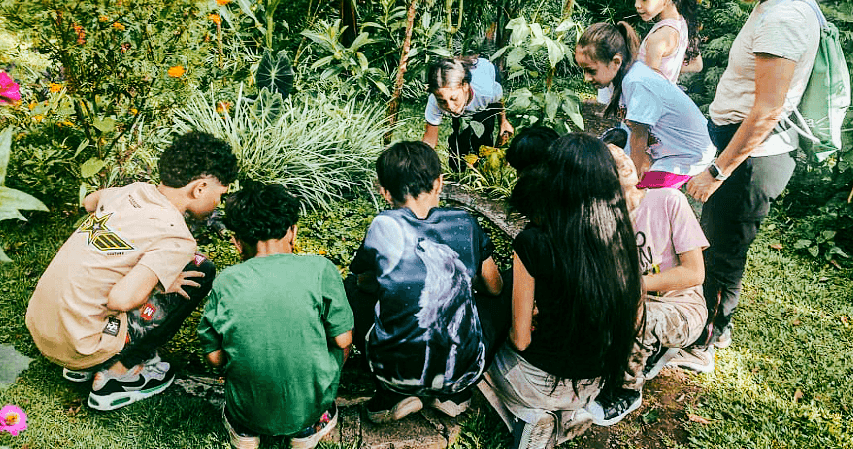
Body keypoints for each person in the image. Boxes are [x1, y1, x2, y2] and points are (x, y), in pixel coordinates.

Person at [674, 0, 822, 372]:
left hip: (752, 156)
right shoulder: (776, 3)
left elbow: (766, 110)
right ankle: (709, 328)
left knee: (722, 249)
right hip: (742, 147)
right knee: (718, 240)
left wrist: (718, 171)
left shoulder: (785, 18)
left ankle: (705, 342)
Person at [25, 131, 238, 411]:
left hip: (43, 327)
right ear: (199, 189)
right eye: (219, 195)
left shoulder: (133, 191)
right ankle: (119, 372)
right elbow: (121, 301)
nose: (218, 203)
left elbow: (90, 201)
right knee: (201, 269)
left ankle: (84, 362)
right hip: (82, 344)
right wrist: (162, 283)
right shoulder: (177, 238)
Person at [478, 133, 643, 449]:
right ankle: (569, 416)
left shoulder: (533, 242)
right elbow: (634, 319)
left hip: (540, 382)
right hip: (596, 380)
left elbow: (521, 338)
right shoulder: (622, 235)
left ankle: (530, 414)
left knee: (486, 361)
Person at [346, 141, 506, 423]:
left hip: (393, 373)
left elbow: (365, 284)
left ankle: (394, 395)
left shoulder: (383, 226)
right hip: (461, 371)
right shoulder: (465, 222)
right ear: (440, 182)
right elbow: (494, 287)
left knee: (349, 289)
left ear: (384, 192)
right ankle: (454, 396)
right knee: (505, 297)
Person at [198, 182, 353, 449]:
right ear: (292, 231)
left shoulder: (227, 281)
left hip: (247, 411)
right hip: (308, 409)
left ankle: (244, 431)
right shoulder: (320, 270)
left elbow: (214, 358)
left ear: (237, 242)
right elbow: (343, 340)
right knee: (339, 343)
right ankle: (309, 427)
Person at [586, 144, 708, 426]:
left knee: (634, 316)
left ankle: (626, 391)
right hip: (630, 301)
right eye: (610, 160)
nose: (622, 159)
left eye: (621, 153)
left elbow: (694, 273)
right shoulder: (602, 222)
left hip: (682, 306)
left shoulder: (668, 200)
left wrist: (635, 285)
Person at [575, 22, 716, 190]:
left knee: (637, 194)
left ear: (615, 62)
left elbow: (638, 138)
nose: (586, 78)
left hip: (688, 155)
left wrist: (632, 182)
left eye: (591, 70)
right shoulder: (620, 78)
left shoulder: (636, 82)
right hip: (668, 152)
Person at [422, 56, 514, 170]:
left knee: (484, 133)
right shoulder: (435, 100)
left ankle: (481, 170)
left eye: (453, 98)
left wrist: (503, 122)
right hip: (467, 98)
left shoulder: (486, 93)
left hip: (488, 74)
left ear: (465, 86)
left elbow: (498, 101)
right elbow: (429, 141)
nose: (450, 107)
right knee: (459, 135)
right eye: (442, 101)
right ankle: (457, 171)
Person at [631, 0, 703, 82]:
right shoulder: (682, 23)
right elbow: (697, 65)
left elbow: (648, 87)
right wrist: (667, 69)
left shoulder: (659, 39)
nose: (636, 5)